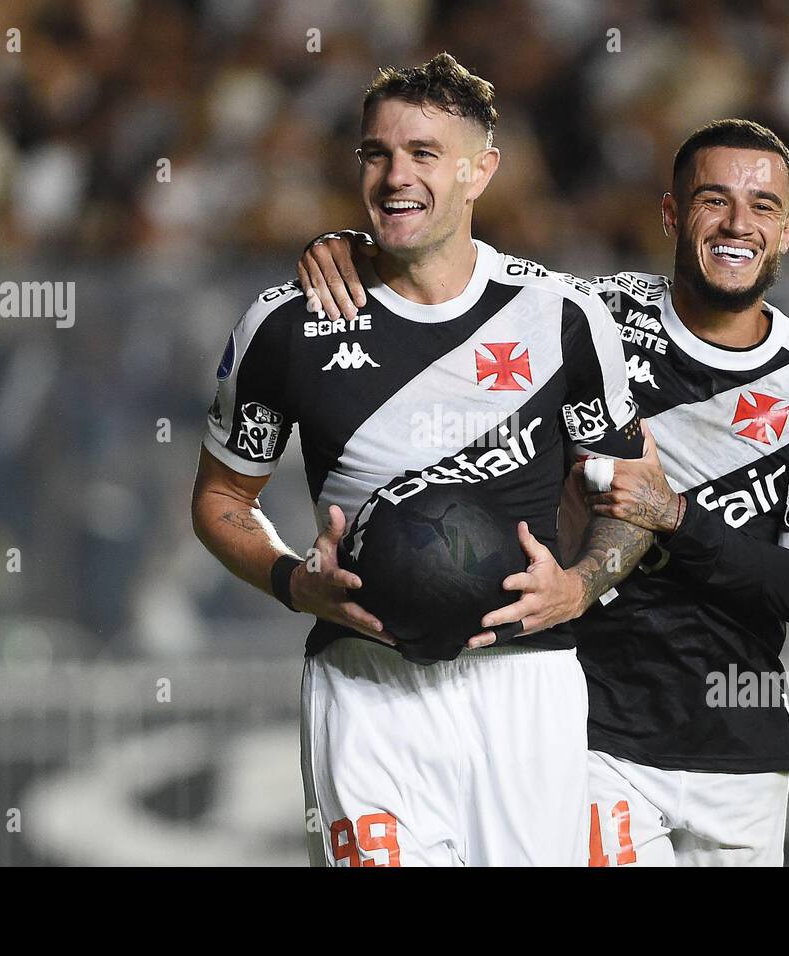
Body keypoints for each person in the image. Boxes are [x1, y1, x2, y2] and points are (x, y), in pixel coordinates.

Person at [298, 118, 789, 866]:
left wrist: (673, 517)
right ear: (671, 214)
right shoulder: (585, 316)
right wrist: (361, 252)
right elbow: (452, 289)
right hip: (591, 733)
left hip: (741, 746)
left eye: (763, 207)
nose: (738, 223)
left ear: (788, 230)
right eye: (713, 200)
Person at [192, 53, 649, 867]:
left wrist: (581, 585)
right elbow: (223, 497)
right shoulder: (284, 324)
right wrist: (292, 579)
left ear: (482, 171)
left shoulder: (564, 317)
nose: (395, 174)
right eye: (377, 153)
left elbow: (633, 493)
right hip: (366, 686)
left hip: (526, 687)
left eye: (424, 153)